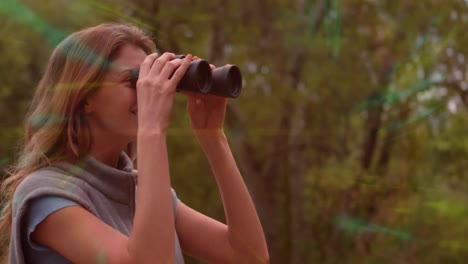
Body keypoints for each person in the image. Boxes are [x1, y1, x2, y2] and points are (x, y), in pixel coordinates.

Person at [0, 23, 269, 264]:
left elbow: (249, 255)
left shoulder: (144, 193)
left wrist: (212, 135)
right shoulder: (45, 195)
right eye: (135, 81)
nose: (148, 91)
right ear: (84, 98)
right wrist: (152, 128)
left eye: (150, 81)